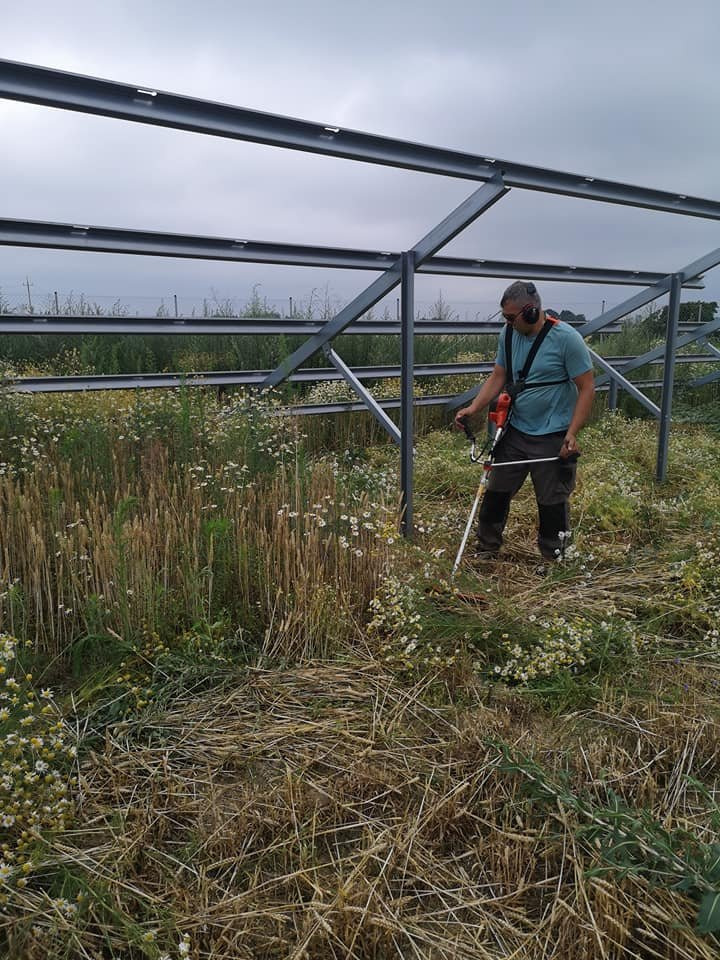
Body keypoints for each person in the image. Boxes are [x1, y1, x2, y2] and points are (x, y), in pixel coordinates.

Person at [454, 281, 595, 562]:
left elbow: (587, 387)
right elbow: (499, 375)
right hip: (515, 430)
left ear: (531, 312)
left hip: (552, 433)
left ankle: (553, 557)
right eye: (505, 317)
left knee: (551, 500)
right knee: (496, 491)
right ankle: (487, 549)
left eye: (510, 317)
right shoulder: (508, 334)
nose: (507, 323)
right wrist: (474, 408)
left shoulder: (567, 339)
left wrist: (572, 433)